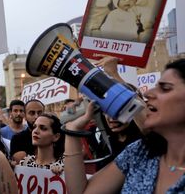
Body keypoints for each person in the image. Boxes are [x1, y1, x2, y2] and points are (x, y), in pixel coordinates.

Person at [63, 58, 185, 193]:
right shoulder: (139, 152)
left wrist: (114, 74)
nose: (147, 93)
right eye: (106, 112)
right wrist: (72, 131)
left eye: (165, 88)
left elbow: (143, 122)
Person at [10, 99, 45, 164]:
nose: (36, 116)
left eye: (40, 113)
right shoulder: (17, 139)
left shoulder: (53, 137)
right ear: (25, 116)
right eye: (32, 113)